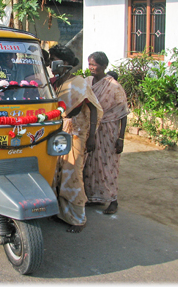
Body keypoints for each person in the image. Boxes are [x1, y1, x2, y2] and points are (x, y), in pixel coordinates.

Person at [49, 45, 102, 233]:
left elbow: (94, 108)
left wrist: (92, 136)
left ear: (65, 63)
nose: (51, 63)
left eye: (55, 59)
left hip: (77, 133)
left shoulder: (78, 82)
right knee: (57, 173)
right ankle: (61, 213)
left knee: (73, 174)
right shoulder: (53, 82)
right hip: (57, 133)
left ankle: (78, 218)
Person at [83, 51, 129, 214]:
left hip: (108, 130)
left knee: (108, 165)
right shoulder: (87, 82)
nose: (91, 68)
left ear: (103, 66)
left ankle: (112, 200)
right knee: (90, 165)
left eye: (94, 65)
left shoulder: (113, 86)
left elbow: (123, 114)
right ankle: (94, 197)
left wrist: (121, 138)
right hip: (90, 129)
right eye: (89, 64)